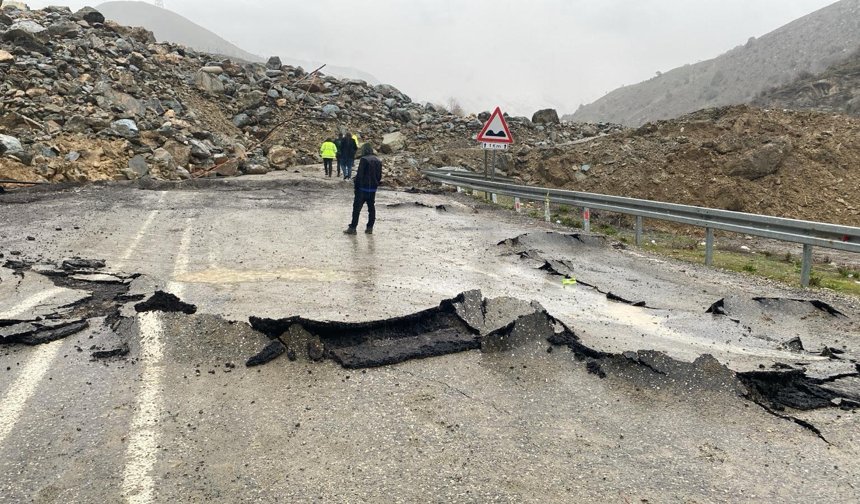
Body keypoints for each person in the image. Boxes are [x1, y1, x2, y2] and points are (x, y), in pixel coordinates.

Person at [344, 143, 383, 235]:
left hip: (362, 188)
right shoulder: (378, 160)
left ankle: (353, 228)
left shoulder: (364, 159)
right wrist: (376, 184)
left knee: (356, 209)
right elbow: (379, 176)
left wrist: (356, 186)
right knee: (371, 208)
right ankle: (370, 228)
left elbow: (360, 175)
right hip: (372, 189)